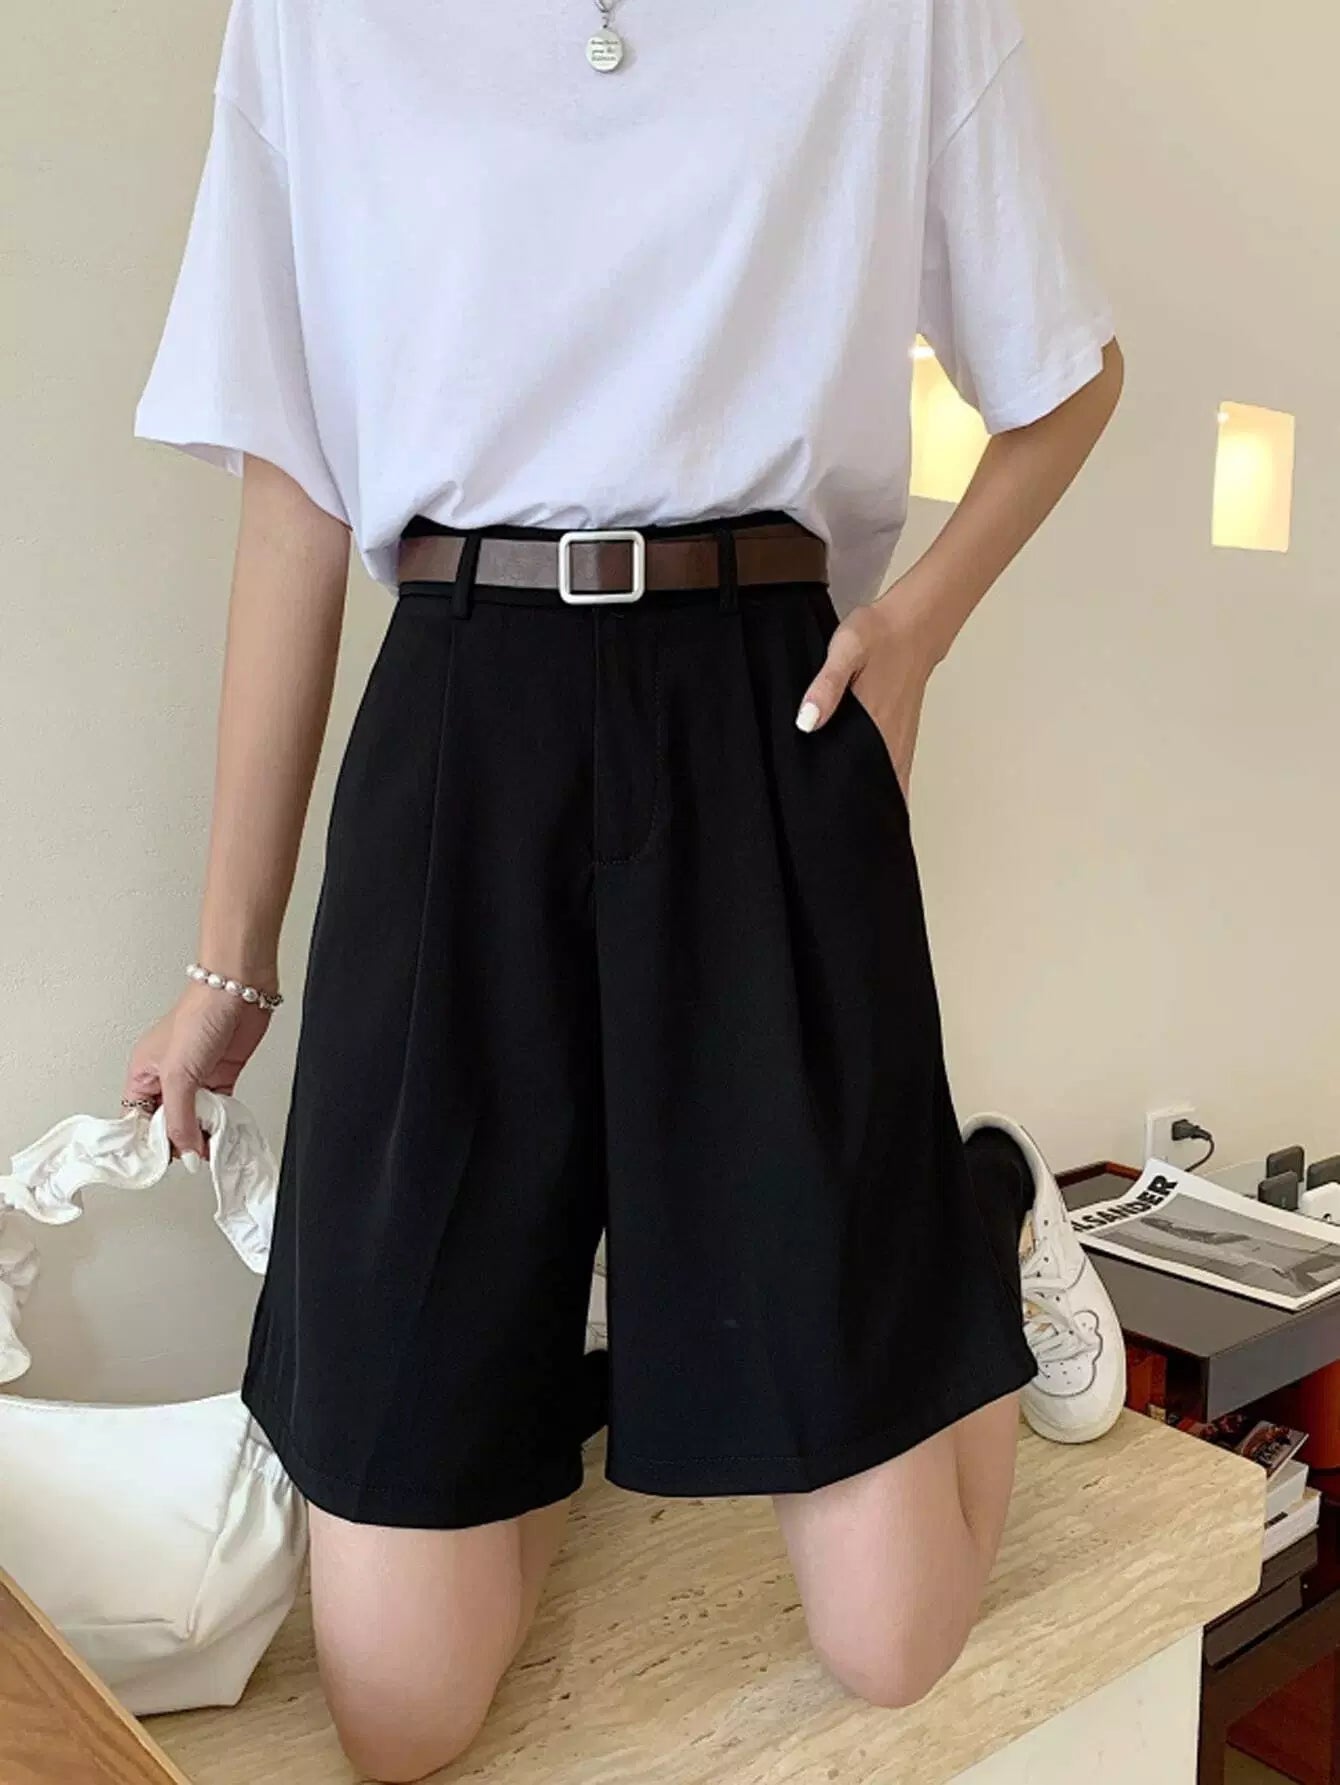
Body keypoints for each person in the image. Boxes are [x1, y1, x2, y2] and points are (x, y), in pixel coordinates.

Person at [124, 0, 1126, 1776]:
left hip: (764, 709)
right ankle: (557, 1339)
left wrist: (911, 632)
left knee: (891, 1645)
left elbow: (1066, 377)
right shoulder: (314, 20)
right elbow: (296, 496)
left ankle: (972, 1203)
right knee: (400, 1714)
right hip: (458, 710)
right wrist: (230, 963)